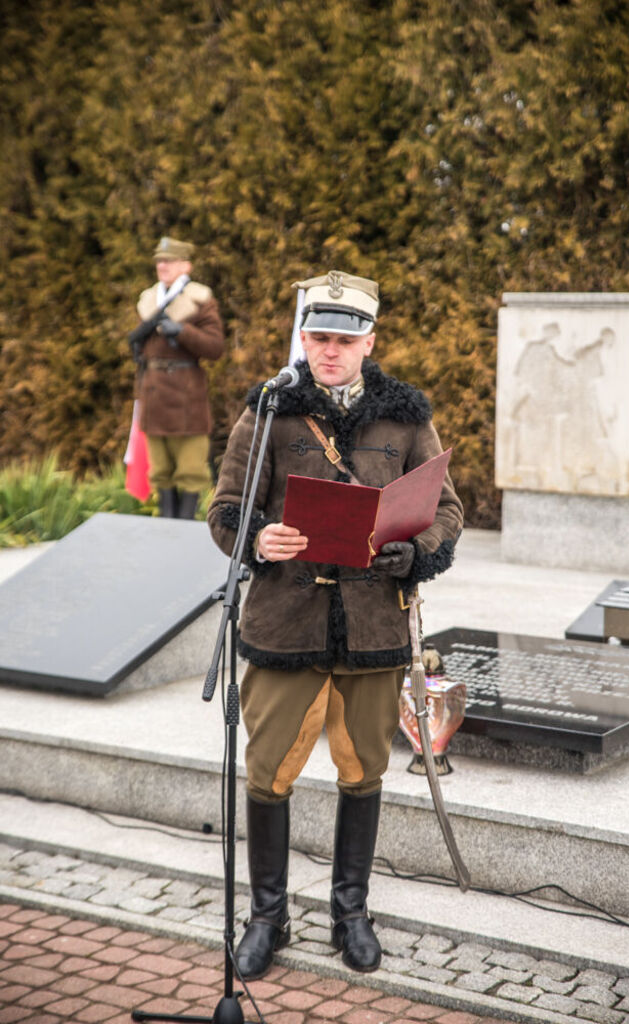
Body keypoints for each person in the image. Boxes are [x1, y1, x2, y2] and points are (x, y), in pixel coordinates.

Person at [207, 270, 463, 980]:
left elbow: (448, 510)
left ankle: (350, 914)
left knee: (363, 772)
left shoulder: (406, 415)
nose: (328, 350)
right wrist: (258, 539)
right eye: (317, 337)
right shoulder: (267, 411)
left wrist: (417, 551)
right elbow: (224, 510)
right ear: (304, 338)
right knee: (266, 775)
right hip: (284, 624)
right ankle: (267, 917)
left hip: (376, 624)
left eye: (343, 339)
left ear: (367, 342)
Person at [134, 235, 225, 519]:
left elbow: (215, 347)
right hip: (154, 392)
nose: (162, 266)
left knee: (190, 468)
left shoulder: (200, 299)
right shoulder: (150, 299)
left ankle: (183, 525)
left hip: (186, 396)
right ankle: (165, 525)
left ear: (186, 265)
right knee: (160, 469)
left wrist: (182, 331)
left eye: (169, 261)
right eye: (159, 261)